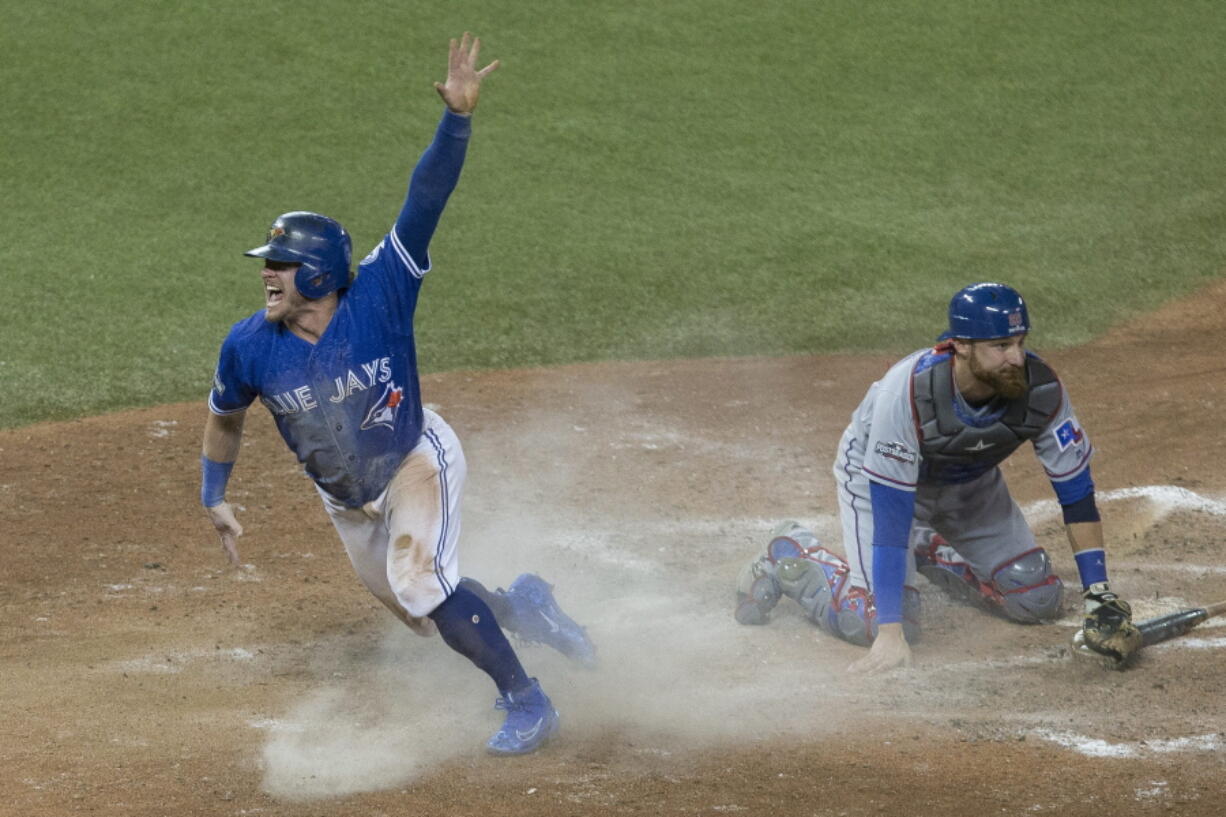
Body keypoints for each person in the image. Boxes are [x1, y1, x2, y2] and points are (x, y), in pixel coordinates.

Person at [199, 34, 595, 755]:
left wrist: (458, 120)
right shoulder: (249, 343)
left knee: (421, 583)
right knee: (425, 605)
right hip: (347, 497)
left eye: (282, 265)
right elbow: (224, 419)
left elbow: (426, 197)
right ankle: (525, 605)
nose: (268, 275)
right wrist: (212, 494)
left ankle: (529, 700)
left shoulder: (380, 290)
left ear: (319, 274)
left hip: (415, 456)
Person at [736, 282, 1141, 672]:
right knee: (871, 621)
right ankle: (791, 553)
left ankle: (928, 547)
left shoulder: (1042, 390)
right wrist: (890, 632)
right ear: (961, 345)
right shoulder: (910, 393)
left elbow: (1076, 493)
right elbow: (893, 517)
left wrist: (1098, 594)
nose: (1016, 358)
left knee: (1035, 597)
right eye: (1000, 346)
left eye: (1019, 342)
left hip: (969, 484)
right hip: (877, 482)